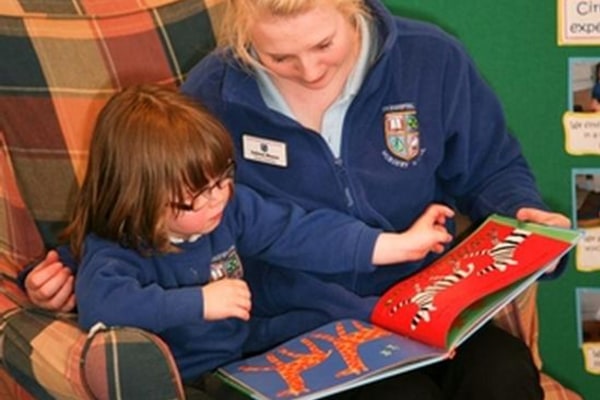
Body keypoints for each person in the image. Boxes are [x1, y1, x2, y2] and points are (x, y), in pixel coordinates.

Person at [23, 1, 571, 399]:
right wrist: (76, 264)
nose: (309, 72)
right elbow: (152, 194)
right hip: (299, 326)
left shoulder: (434, 60)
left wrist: (526, 219)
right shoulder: (214, 93)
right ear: (241, 29)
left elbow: (495, 169)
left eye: (324, 45)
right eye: (279, 56)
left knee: (503, 377)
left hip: (424, 306)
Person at [62, 84, 453, 396]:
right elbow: (104, 305)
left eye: (222, 179)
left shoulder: (228, 209)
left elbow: (298, 232)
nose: (218, 197)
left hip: (246, 358)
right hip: (188, 381)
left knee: (323, 314)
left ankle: (398, 335)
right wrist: (199, 303)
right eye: (195, 195)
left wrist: (396, 245)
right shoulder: (117, 249)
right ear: (138, 198)